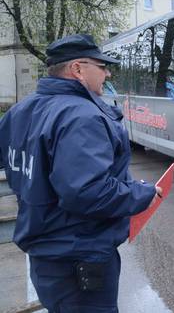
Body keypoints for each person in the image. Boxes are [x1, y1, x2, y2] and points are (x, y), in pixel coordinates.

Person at [0, 34, 161, 312]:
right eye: (102, 67)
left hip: (45, 255)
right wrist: (142, 193)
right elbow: (87, 193)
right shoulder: (81, 116)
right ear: (77, 68)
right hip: (80, 258)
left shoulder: (20, 111)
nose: (107, 73)